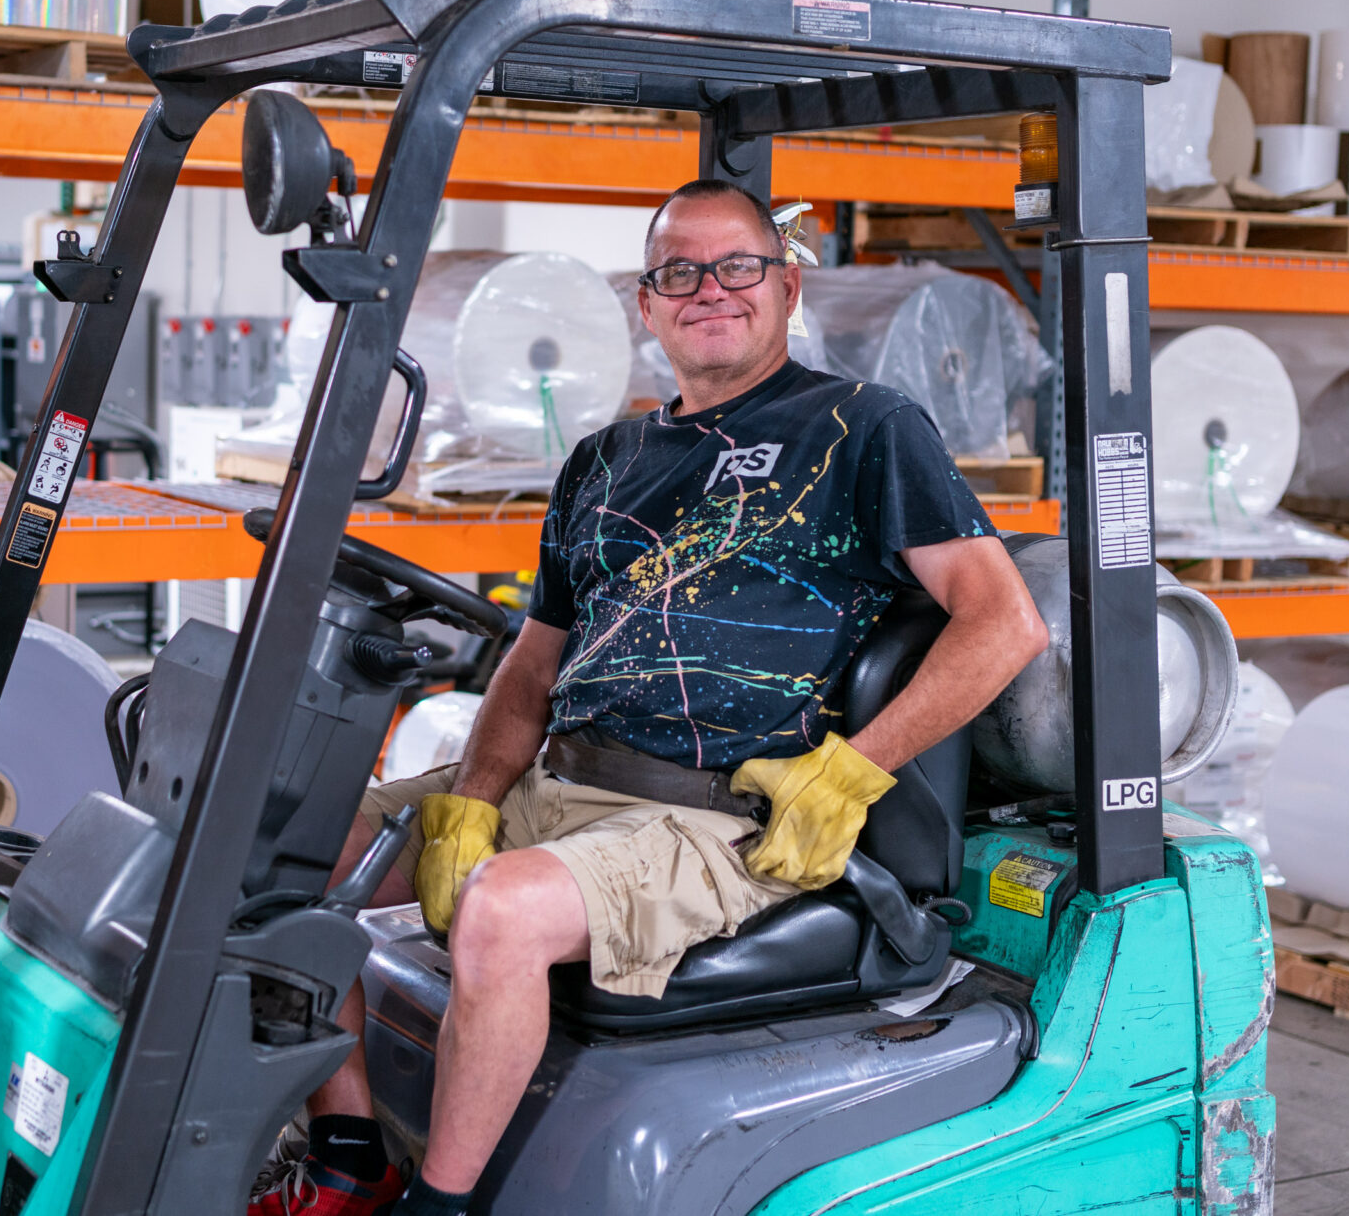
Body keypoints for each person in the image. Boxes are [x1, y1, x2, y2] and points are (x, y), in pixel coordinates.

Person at [247, 179, 1050, 1216]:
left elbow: (1003, 621)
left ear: (786, 285)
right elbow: (534, 664)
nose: (709, 290)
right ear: (647, 303)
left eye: (737, 267)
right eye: (680, 272)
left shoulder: (863, 425)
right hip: (565, 781)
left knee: (500, 909)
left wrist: (852, 767)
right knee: (277, 839)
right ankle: (351, 1152)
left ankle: (437, 1208)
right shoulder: (604, 459)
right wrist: (477, 794)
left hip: (713, 811)